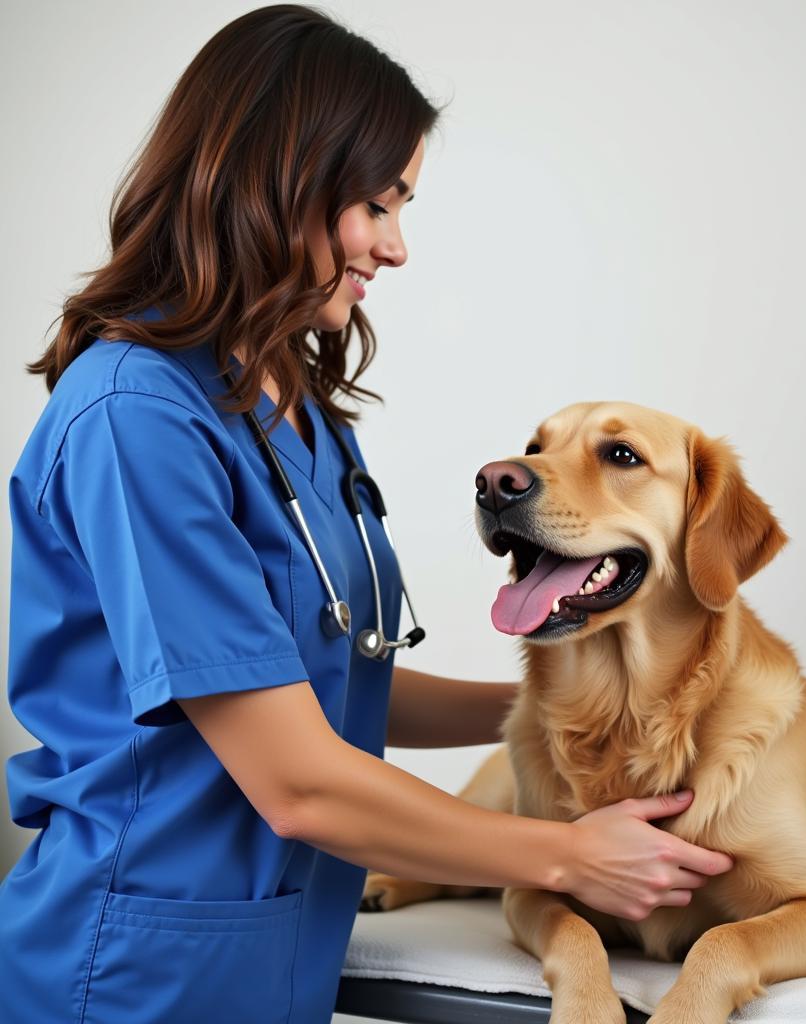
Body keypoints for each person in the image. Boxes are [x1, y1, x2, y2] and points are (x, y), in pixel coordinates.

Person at [0, 6, 734, 1021]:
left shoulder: (290, 403)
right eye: (378, 205)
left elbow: (335, 679)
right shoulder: (138, 417)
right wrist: (568, 854)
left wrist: (585, 706)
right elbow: (298, 777)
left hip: (276, 961)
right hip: (132, 969)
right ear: (277, 178)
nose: (395, 248)